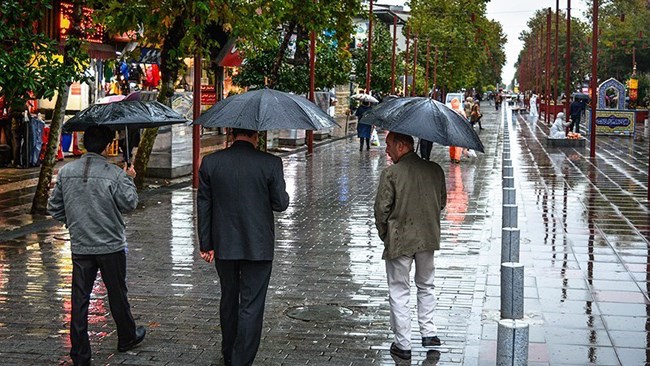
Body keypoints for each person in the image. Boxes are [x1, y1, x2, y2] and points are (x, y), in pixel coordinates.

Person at [47, 125, 145, 366]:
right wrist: (130, 179)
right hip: (110, 244)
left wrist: (74, 221)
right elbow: (130, 203)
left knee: (79, 299)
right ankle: (127, 336)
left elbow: (54, 207)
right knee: (117, 293)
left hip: (81, 245)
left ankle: (80, 353)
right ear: (105, 146)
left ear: (83, 144)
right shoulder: (114, 174)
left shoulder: (66, 171)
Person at [197, 128, 290, 366]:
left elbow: (204, 206)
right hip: (258, 246)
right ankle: (240, 360)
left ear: (230, 134)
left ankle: (229, 352)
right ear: (256, 136)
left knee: (228, 297)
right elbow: (280, 204)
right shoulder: (270, 163)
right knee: (251, 304)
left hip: (224, 245)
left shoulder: (211, 163)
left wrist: (206, 244)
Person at [374, 132, 447, 361]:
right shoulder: (435, 170)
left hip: (399, 240)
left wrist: (385, 235)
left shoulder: (391, 174)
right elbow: (442, 202)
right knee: (426, 285)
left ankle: (403, 344)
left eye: (388, 145)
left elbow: (381, 211)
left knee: (399, 290)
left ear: (402, 145)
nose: (387, 150)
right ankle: (429, 332)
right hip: (427, 238)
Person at [449, 98, 465, 163]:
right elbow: (465, 120)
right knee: (458, 145)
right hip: (459, 130)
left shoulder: (450, 111)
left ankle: (452, 157)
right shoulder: (461, 111)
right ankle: (457, 158)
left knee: (452, 144)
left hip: (451, 129)